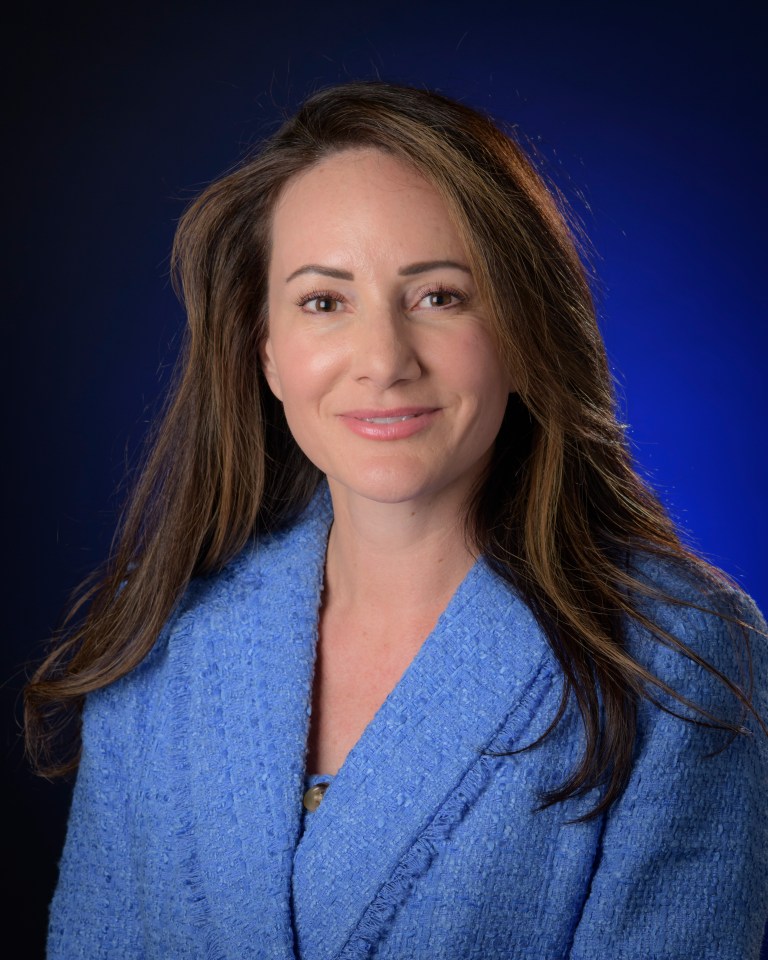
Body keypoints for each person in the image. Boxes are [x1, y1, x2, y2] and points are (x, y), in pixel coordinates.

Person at [26, 81, 767, 959]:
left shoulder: (677, 657)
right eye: (323, 302)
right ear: (266, 349)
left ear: (525, 333)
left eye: (440, 296)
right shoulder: (162, 643)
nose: (382, 361)